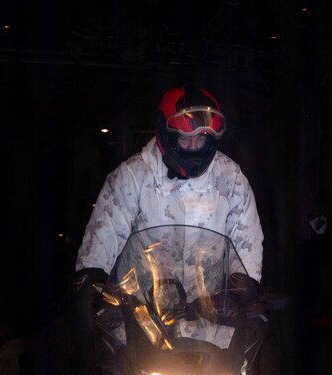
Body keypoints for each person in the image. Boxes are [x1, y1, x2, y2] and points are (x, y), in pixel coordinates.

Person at [75, 84, 263, 293]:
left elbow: (246, 242)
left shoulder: (230, 178)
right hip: (140, 306)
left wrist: (243, 288)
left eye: (201, 138)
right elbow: (103, 236)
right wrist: (92, 283)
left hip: (209, 308)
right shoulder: (132, 177)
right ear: (167, 135)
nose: (193, 147)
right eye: (185, 138)